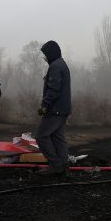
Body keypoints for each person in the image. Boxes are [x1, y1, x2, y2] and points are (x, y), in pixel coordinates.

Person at [35, 40, 72, 178]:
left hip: (55, 109)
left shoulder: (55, 66)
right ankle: (64, 167)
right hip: (63, 109)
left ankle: (55, 165)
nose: (45, 57)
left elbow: (54, 90)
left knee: (41, 136)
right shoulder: (62, 64)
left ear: (51, 53)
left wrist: (44, 105)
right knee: (58, 138)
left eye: (45, 54)